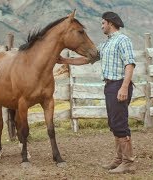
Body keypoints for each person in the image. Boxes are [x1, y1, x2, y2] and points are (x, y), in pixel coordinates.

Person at [57, 11, 136, 174]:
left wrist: (124, 87)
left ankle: (128, 162)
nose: (101, 26)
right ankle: (119, 159)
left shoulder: (123, 40)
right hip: (109, 86)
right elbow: (87, 59)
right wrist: (65, 60)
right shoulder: (106, 44)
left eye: (102, 23)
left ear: (110, 23)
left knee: (120, 123)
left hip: (119, 84)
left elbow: (130, 64)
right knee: (114, 123)